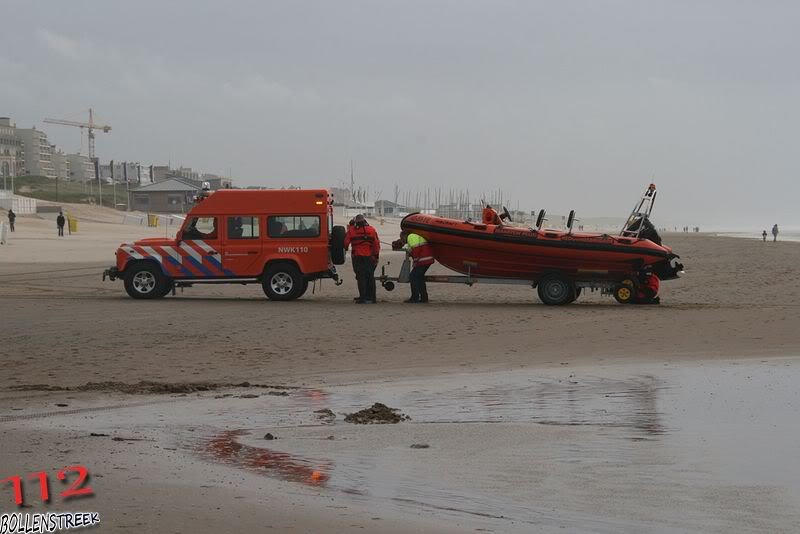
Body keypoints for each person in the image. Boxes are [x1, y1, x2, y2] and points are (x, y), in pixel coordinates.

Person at [344, 214, 380, 303]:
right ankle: (372, 297)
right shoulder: (371, 230)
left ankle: (363, 297)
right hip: (368, 257)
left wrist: (345, 248)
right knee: (370, 277)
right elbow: (376, 244)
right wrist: (375, 256)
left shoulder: (351, 231)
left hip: (357, 256)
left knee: (360, 277)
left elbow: (345, 243)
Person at [400, 231, 435, 303]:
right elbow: (415, 249)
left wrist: (415, 262)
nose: (402, 240)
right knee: (420, 278)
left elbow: (416, 250)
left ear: (404, 236)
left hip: (423, 260)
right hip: (428, 259)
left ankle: (414, 297)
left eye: (402, 238)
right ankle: (424, 297)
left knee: (413, 277)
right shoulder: (415, 236)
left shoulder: (411, 237)